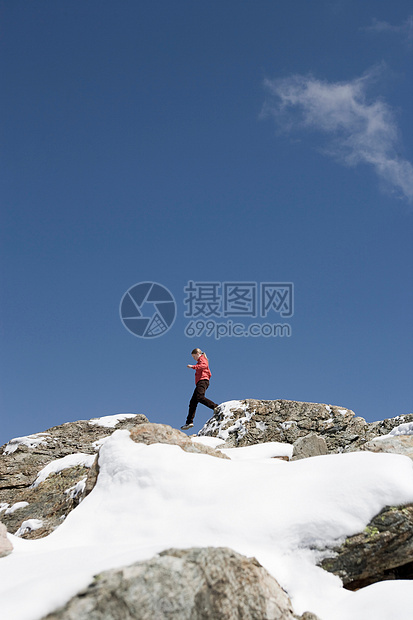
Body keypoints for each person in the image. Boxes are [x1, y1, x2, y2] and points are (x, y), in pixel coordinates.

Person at [181, 348, 218, 430]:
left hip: (203, 381)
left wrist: (193, 366)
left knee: (199, 397)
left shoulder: (202, 359)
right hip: (200, 382)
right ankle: (189, 422)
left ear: (197, 353)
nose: (194, 358)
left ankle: (215, 407)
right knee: (193, 402)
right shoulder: (199, 361)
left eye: (194, 356)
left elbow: (204, 365)